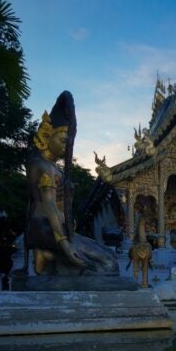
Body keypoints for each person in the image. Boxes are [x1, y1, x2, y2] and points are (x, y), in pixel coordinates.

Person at [25, 91, 118, 275]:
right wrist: (64, 244)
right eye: (62, 140)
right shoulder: (41, 165)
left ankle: (49, 256)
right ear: (46, 135)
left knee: (111, 259)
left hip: (62, 231)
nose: (65, 146)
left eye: (67, 142)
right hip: (46, 229)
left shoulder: (54, 168)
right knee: (108, 267)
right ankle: (49, 255)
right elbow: (50, 205)